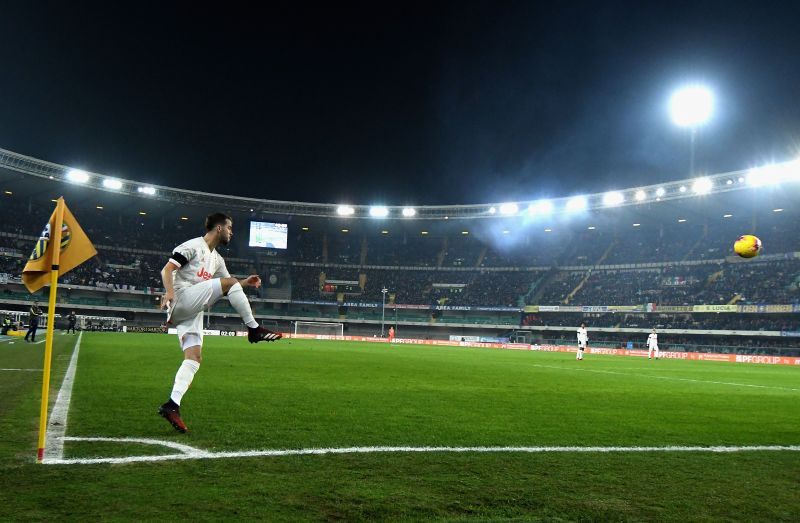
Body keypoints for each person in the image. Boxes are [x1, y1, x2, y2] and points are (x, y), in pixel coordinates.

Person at [158, 212, 282, 433]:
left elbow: (230, 286)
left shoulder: (217, 259)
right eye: (230, 228)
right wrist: (168, 292)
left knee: (194, 358)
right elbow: (167, 269)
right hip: (181, 298)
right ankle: (254, 329)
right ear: (218, 228)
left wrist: (245, 282)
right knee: (228, 283)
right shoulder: (193, 246)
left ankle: (172, 405)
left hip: (191, 310)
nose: (231, 232)